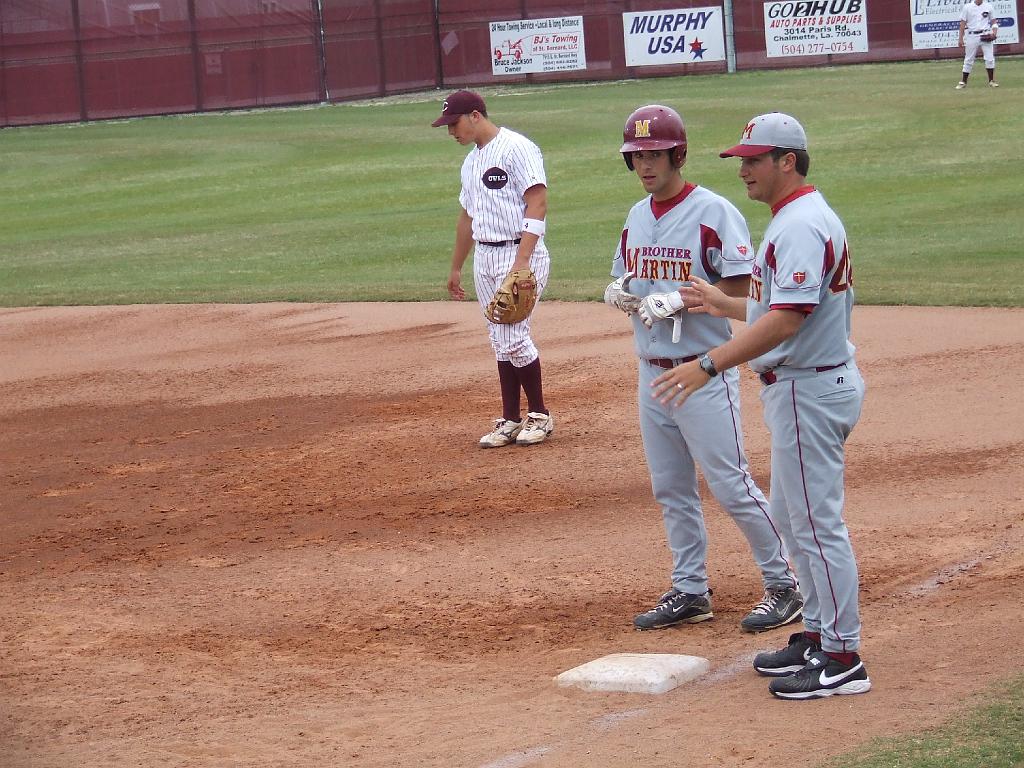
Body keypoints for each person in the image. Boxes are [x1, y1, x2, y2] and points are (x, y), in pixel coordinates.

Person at [651, 112, 870, 699]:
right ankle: (821, 634)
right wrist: (723, 304)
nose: (742, 169)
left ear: (787, 161)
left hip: (809, 389)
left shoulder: (799, 224)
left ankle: (843, 656)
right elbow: (784, 308)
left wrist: (707, 364)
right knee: (797, 521)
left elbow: (786, 320)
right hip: (806, 384)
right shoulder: (793, 218)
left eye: (753, 159)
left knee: (817, 527)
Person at [604, 104, 803, 635]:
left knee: (731, 484)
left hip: (702, 371)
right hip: (652, 371)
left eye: (654, 154)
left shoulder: (713, 212)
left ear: (678, 154)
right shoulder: (636, 215)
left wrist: (684, 300)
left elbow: (746, 289)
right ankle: (690, 589)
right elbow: (625, 274)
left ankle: (786, 583)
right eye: (636, 156)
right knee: (670, 487)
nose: (645, 165)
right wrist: (622, 292)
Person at [432, 90, 553, 447]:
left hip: (519, 252)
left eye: (453, 123)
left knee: (514, 337)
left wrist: (523, 261)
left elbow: (538, 201)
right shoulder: (470, 163)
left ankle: (541, 415)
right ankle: (511, 419)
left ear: (474, 116)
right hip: (485, 257)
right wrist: (456, 267)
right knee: (500, 341)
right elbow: (467, 218)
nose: (450, 131)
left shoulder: (518, 147)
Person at [955, 0, 999, 89]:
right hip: (972, 35)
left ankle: (991, 81)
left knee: (989, 58)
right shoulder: (967, 7)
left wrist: (994, 33)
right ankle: (963, 81)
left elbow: (994, 22)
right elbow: (962, 24)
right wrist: (960, 38)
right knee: (968, 59)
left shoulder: (988, 6)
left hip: (985, 34)